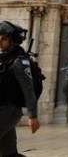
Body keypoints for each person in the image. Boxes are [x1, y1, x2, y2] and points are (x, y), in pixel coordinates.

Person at [0, 21, 40, 157]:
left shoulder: (19, 62)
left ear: (12, 41)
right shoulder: (5, 59)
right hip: (2, 109)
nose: (0, 42)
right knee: (8, 153)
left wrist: (33, 116)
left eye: (4, 39)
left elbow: (28, 89)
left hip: (9, 111)